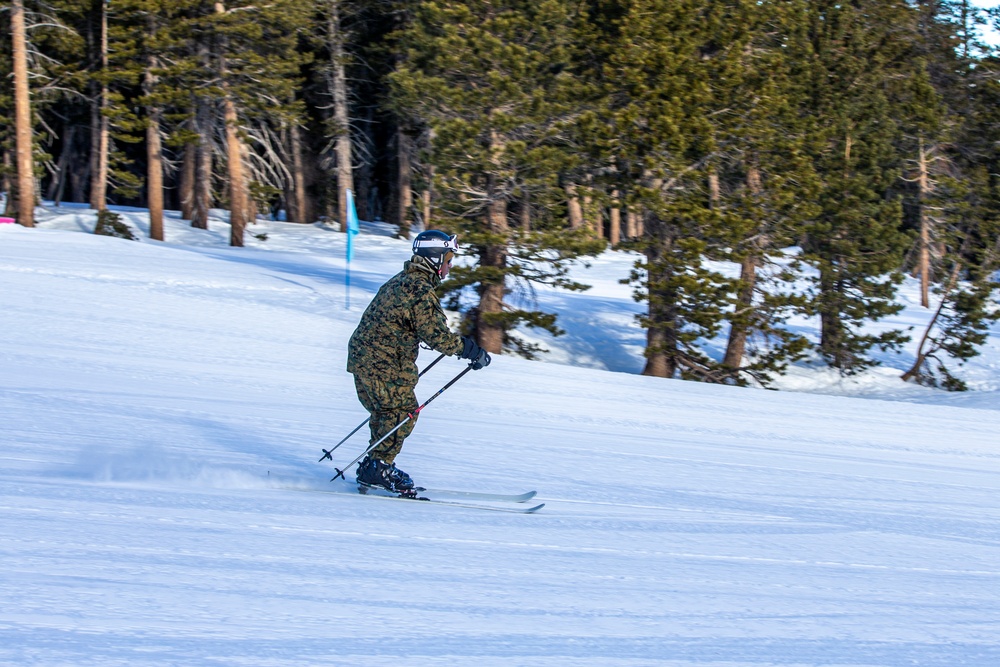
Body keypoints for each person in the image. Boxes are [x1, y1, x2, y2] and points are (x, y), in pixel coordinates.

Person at [346, 230, 491, 493]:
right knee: (403, 412)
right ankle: (379, 467)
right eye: (448, 260)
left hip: (364, 359)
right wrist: (470, 351)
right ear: (435, 259)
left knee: (386, 413)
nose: (449, 267)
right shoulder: (419, 290)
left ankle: (374, 466)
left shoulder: (402, 280)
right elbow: (438, 337)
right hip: (382, 363)